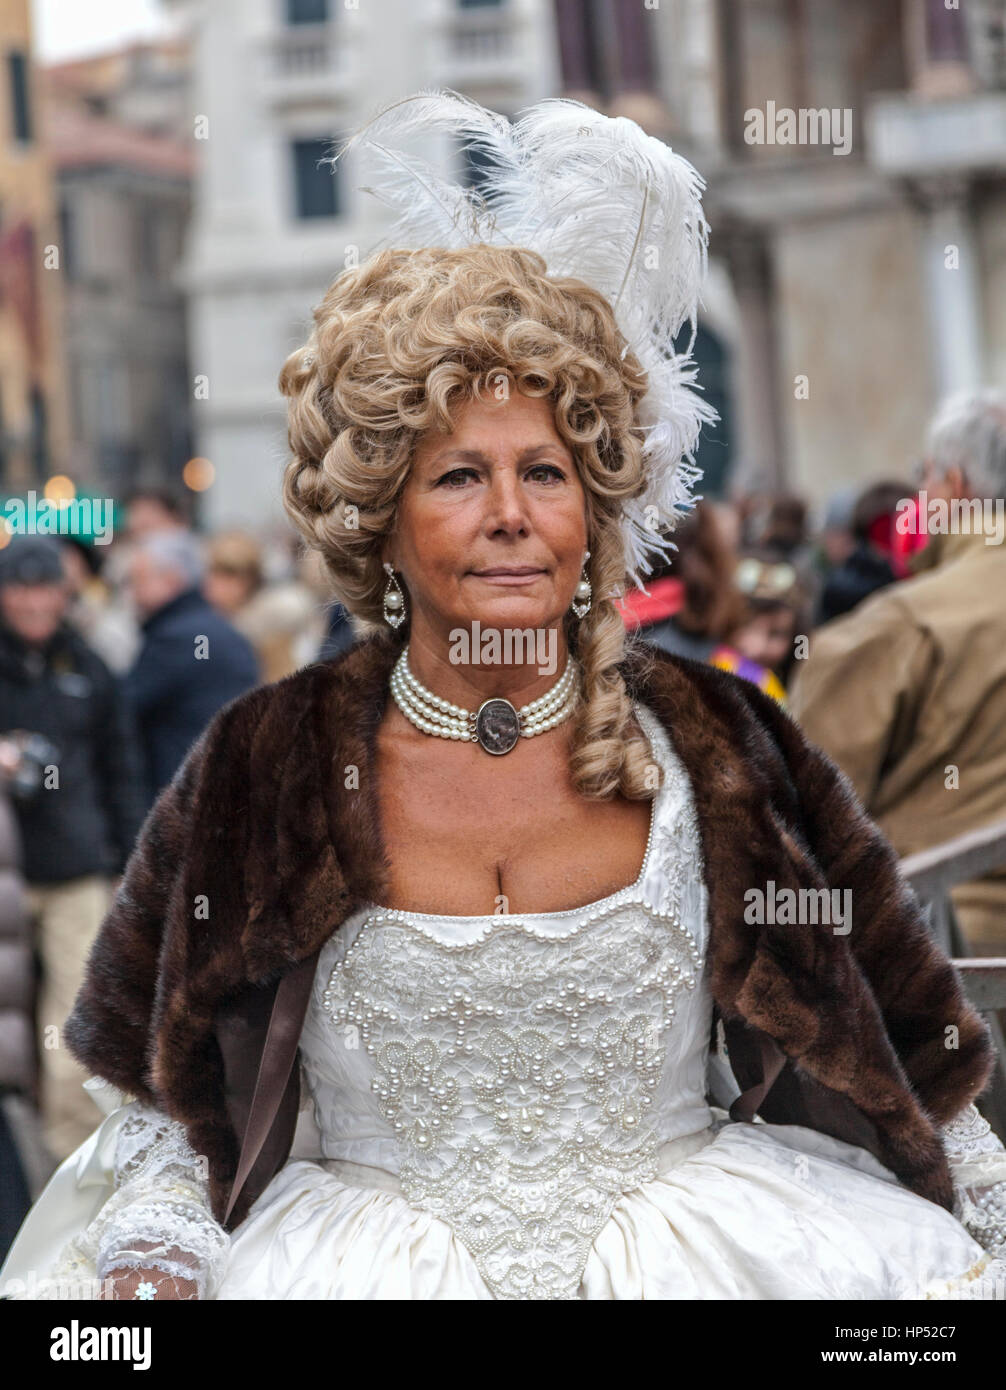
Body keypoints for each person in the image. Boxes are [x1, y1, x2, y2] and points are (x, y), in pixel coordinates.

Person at [2, 94, 1005, 1303]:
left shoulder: (720, 739)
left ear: (596, 506)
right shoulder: (268, 758)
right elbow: (166, 1088)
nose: (513, 515)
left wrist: (984, 1216)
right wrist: (158, 1248)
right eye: (459, 476)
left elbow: (897, 1030)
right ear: (379, 512)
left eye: (547, 471)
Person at [791, 389, 1006, 960]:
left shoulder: (901, 626)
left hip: (950, 974)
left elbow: (802, 819)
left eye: (926, 476)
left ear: (956, 487)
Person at [0, 537, 145, 1159]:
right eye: (22, 589)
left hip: (74, 871)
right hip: (8, 866)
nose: (35, 602)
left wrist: (125, 865)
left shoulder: (89, 667)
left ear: (66, 592)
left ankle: (72, 1176)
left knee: (72, 1037)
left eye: (46, 588)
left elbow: (123, 768)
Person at [124, 530, 260, 810]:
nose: (132, 592)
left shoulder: (176, 638)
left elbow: (122, 708)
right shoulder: (224, 631)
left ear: (171, 578)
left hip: (183, 794)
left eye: (138, 580)